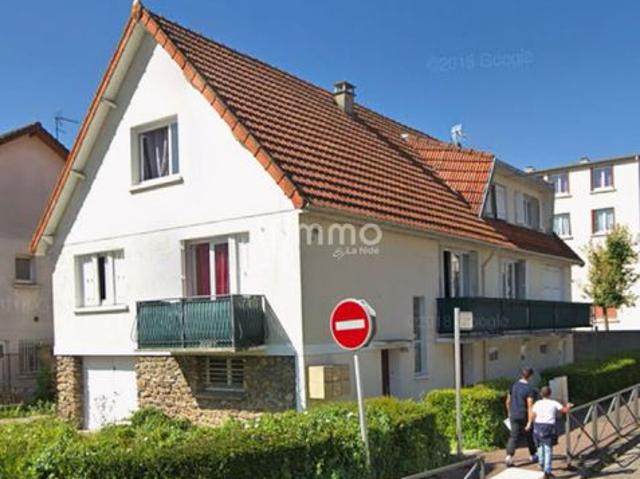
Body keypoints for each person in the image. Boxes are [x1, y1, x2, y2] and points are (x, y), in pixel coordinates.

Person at [527, 386, 573, 479]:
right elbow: (564, 410)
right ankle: (547, 471)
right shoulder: (553, 403)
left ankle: (541, 463)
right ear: (550, 394)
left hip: (538, 426)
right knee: (548, 449)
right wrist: (568, 406)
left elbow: (533, 415)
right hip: (549, 427)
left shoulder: (537, 403)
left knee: (540, 446)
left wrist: (530, 423)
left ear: (541, 394)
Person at [505, 367, 537, 467]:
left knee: (513, 436)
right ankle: (533, 455)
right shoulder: (529, 389)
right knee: (529, 435)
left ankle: (509, 456)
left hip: (514, 414)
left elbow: (508, 401)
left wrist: (509, 412)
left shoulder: (513, 386)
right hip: (524, 415)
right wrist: (529, 421)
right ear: (530, 376)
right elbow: (530, 405)